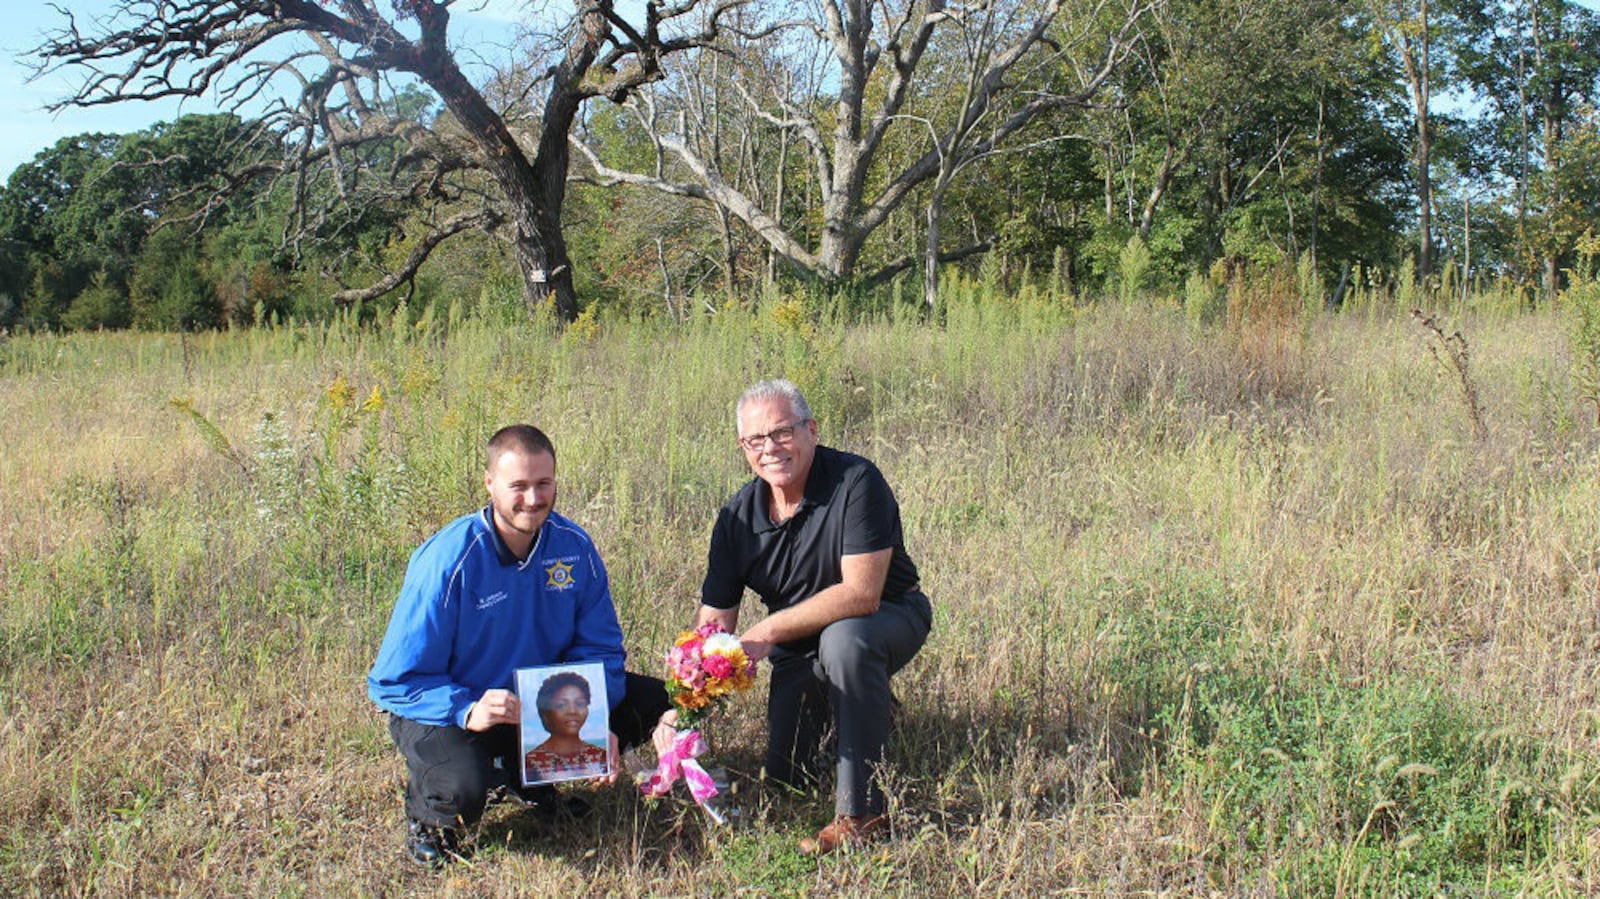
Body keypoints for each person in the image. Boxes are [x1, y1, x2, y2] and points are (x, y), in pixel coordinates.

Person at [369, 424, 670, 866]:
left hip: (533, 705)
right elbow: (393, 683)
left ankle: (528, 779)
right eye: (519, 486)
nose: (533, 499)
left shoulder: (574, 547)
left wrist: (591, 722)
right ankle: (430, 815)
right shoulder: (447, 561)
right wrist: (465, 709)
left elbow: (600, 650)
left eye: (543, 484)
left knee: (652, 701)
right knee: (463, 790)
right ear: (490, 483)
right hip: (454, 709)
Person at [676, 379, 933, 855]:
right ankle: (867, 707)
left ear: (812, 430)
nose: (770, 448)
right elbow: (715, 623)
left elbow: (862, 594)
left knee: (845, 643)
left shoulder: (857, 481)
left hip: (889, 616)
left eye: (782, 432)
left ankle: (862, 811)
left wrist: (768, 630)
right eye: (756, 439)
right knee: (787, 774)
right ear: (743, 447)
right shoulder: (736, 518)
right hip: (802, 647)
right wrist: (683, 692)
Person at [524, 671, 609, 783]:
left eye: (580, 703)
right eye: (561, 705)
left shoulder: (601, 756)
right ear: (546, 712)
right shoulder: (530, 763)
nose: (572, 711)